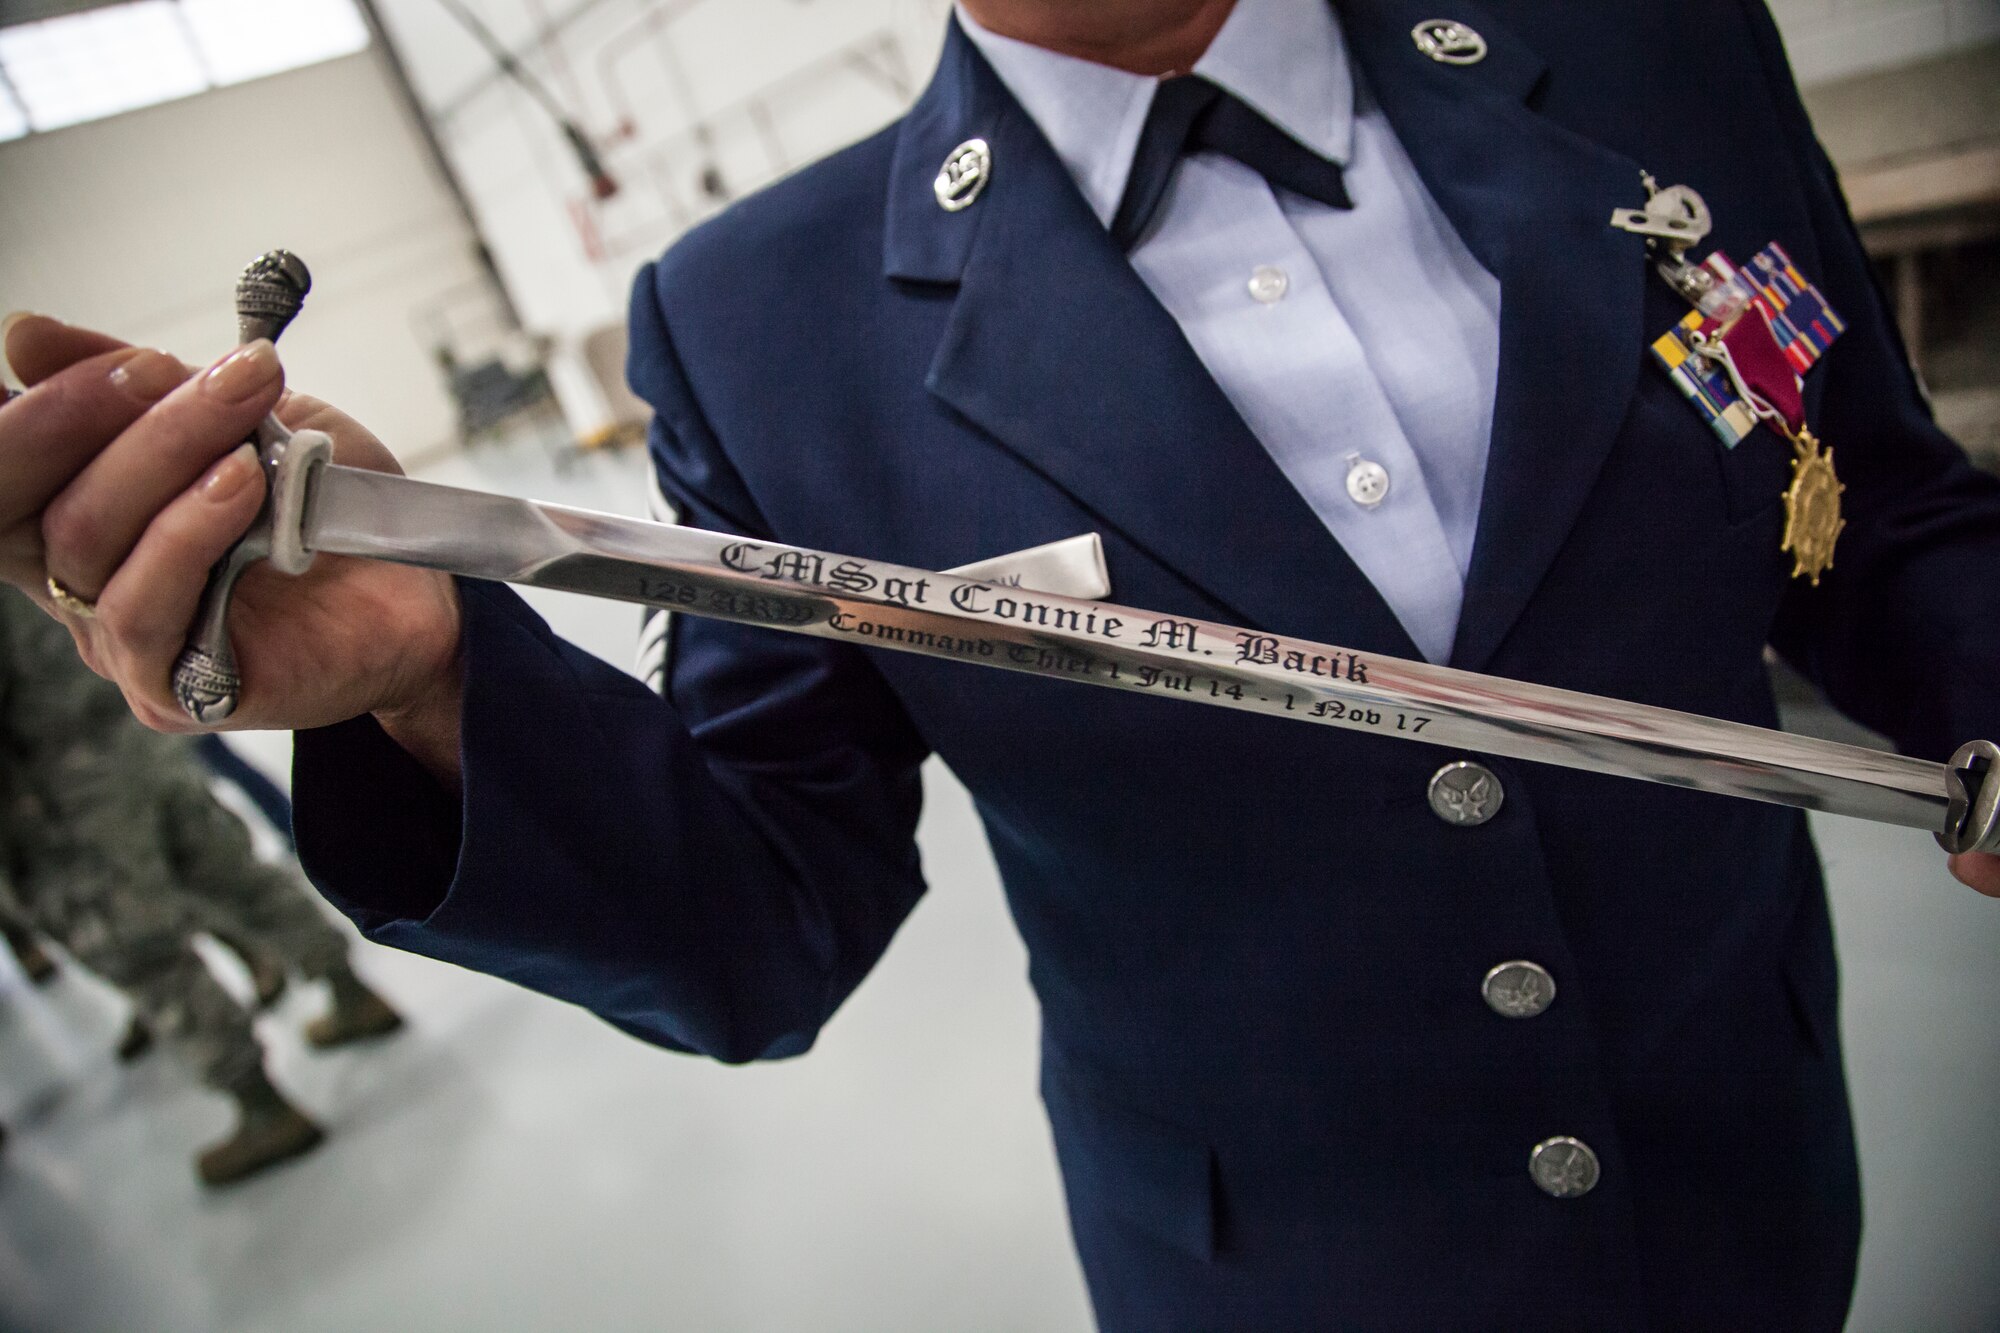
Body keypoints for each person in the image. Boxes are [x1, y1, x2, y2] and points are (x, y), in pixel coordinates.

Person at [2, 0, 1997, 1321]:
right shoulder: (754, 318)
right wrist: (433, 686)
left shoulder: (1639, 46)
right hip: (1269, 1276)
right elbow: (755, 917)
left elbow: (1876, 505)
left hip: (1753, 1176)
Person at [0, 587, 401, 1185]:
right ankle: (348, 987)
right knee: (230, 872)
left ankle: (261, 1105)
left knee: (144, 953)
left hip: (56, 799)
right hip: (130, 728)